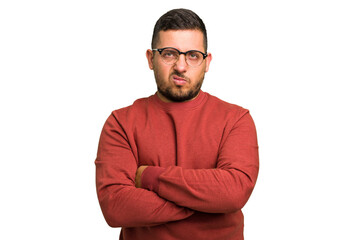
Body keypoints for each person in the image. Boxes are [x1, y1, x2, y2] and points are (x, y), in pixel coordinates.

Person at [95, 8, 259, 240]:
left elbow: (233, 192)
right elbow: (115, 206)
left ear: (207, 61)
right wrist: (207, 203)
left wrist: (150, 177)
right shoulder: (121, 123)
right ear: (151, 59)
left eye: (192, 55)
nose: (181, 66)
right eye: (169, 53)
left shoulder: (236, 119)